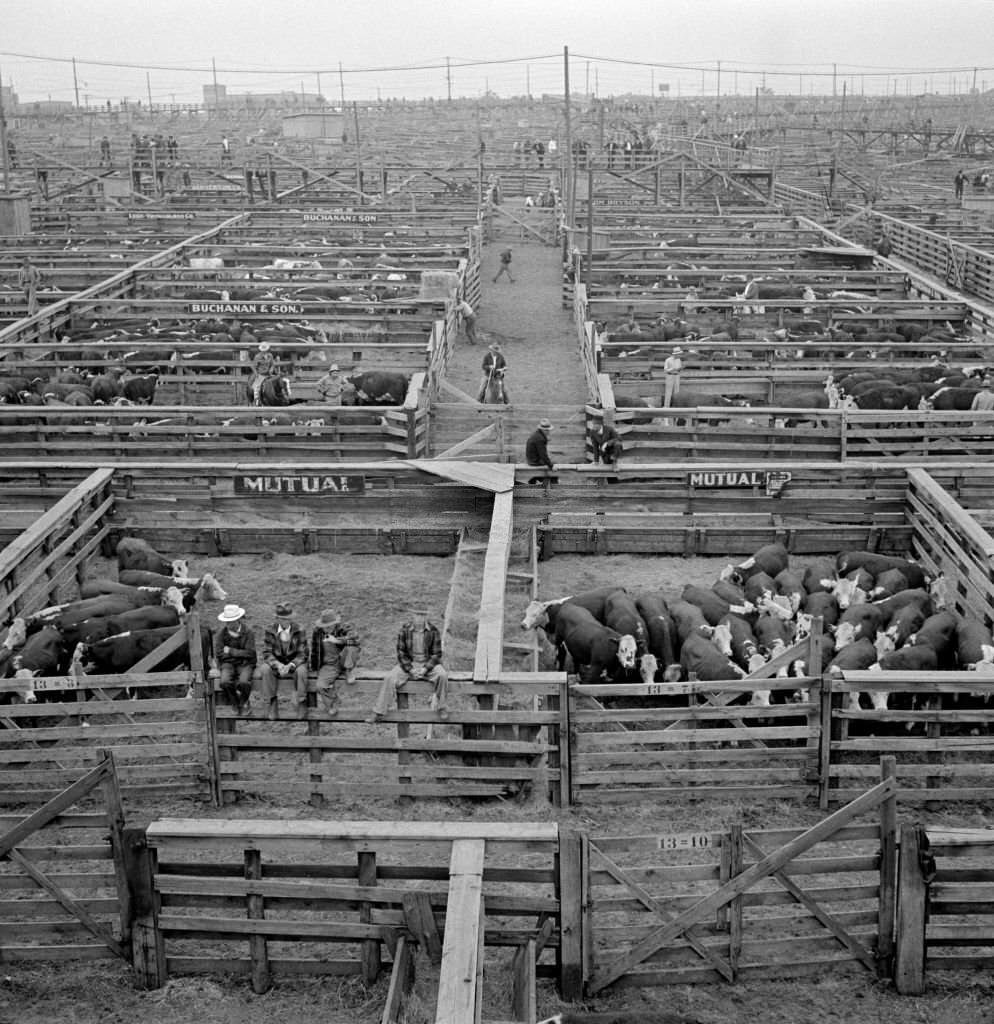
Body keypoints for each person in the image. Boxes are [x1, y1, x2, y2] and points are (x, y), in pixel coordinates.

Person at [368, 607, 448, 722]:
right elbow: (401, 653)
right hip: (410, 664)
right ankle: (379, 711)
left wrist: (425, 669)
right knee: (390, 678)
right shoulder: (404, 630)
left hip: (427, 663)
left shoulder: (433, 630)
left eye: (422, 615)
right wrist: (410, 669)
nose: (420, 618)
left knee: (442, 675)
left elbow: (436, 654)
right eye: (417, 615)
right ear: (412, 616)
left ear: (426, 617)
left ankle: (442, 707)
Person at [260, 602, 309, 720]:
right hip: (278, 663)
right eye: (282, 619)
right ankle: (272, 702)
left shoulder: (299, 630)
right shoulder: (270, 630)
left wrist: (291, 665)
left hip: (295, 663)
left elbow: (303, 654)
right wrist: (277, 664)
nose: (286, 621)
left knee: (302, 671)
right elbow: (267, 652)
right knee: (265, 669)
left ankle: (301, 702)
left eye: (288, 619)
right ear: (277, 618)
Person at [310, 608, 360, 716]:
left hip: (343, 660)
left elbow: (356, 641)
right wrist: (314, 667)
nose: (327, 629)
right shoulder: (317, 632)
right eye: (325, 627)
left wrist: (337, 640)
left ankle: (348, 671)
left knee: (352, 647)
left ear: (335, 624)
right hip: (328, 665)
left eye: (329, 626)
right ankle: (332, 702)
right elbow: (314, 650)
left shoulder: (344, 628)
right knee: (320, 685)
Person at [212, 604, 256, 714]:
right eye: (226, 621)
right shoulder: (221, 634)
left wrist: (231, 651)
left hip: (245, 664)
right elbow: (219, 653)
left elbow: (250, 653)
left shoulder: (248, 632)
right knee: (224, 682)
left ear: (238, 620)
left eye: (230, 621)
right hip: (228, 664)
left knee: (244, 682)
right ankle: (234, 702)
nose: (228, 624)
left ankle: (243, 702)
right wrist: (239, 655)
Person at [525, 418, 555, 483]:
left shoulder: (537, 434)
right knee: (553, 474)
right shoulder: (540, 439)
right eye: (547, 430)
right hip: (534, 462)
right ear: (544, 430)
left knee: (548, 464)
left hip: (530, 460)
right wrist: (551, 466)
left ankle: (533, 481)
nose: (548, 432)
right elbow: (543, 455)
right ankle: (551, 484)